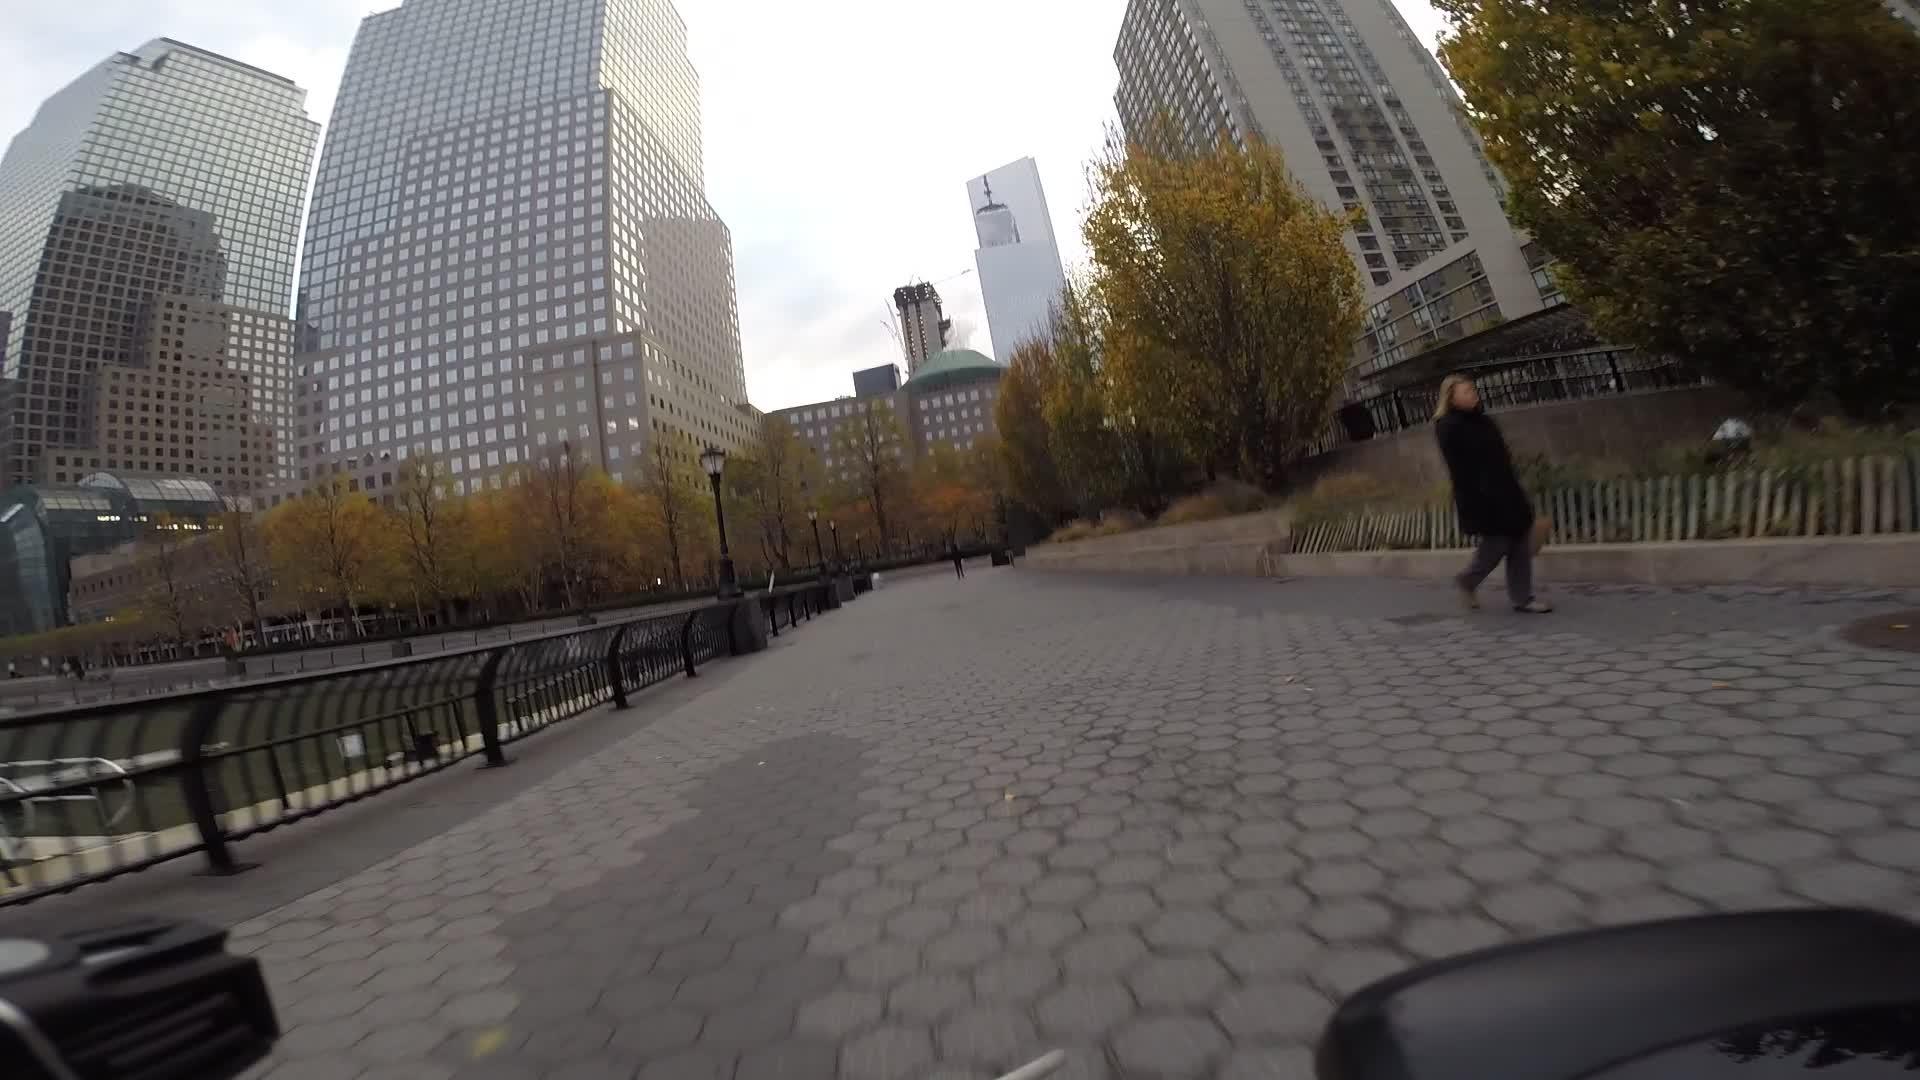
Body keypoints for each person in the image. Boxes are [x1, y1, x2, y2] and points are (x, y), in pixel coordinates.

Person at [1433, 373, 1552, 614]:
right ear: (1452, 398)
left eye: (1473, 390)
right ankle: (1468, 579)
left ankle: (1523, 598)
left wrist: (1513, 486)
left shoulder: (1484, 421)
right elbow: (1462, 468)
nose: (1473, 394)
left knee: (1519, 540)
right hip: (1481, 496)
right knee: (1497, 545)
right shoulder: (1448, 427)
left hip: (1506, 489)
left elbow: (1502, 457)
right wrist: (1482, 495)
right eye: (1466, 392)